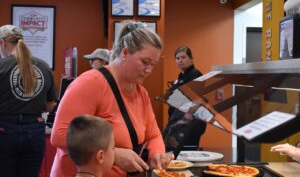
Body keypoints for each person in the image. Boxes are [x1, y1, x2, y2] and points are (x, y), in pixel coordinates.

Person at [51, 20, 174, 177]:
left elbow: (153, 135)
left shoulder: (140, 92)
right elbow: (60, 135)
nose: (149, 70)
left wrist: (157, 154)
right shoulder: (92, 82)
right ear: (125, 53)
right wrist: (113, 155)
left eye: (153, 65)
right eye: (145, 62)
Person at [0, 25, 57, 176]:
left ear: (3, 43)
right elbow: (51, 104)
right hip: (35, 131)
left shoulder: (1, 66)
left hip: (5, 131)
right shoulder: (44, 67)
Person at [162, 46, 207, 152]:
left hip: (189, 124)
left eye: (183, 57)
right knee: (177, 154)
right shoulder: (181, 77)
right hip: (178, 123)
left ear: (191, 59)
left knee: (186, 155)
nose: (180, 60)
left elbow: (195, 100)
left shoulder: (195, 75)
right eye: (177, 58)